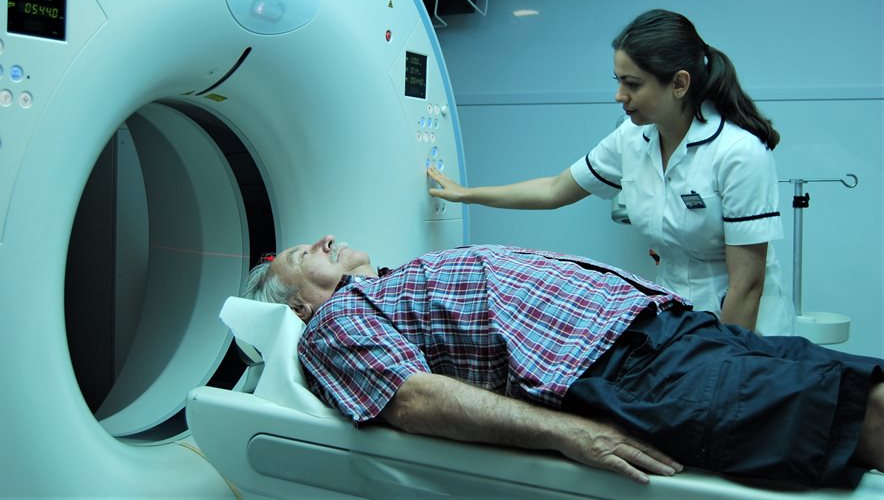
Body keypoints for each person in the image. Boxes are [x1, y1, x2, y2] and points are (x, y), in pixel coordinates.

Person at [242, 234, 884, 490]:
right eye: (305, 254)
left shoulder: (402, 277)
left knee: (854, 382)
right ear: (299, 305)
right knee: (851, 414)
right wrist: (569, 432)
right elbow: (414, 398)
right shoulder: (333, 325)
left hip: (666, 329)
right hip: (624, 373)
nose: (325, 241)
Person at [427, 9, 793, 336]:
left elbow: (747, 284)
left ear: (679, 84)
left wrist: (726, 362)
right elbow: (554, 190)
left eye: (632, 84)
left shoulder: (738, 153)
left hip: (745, 329)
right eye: (617, 80)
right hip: (679, 315)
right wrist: (467, 194)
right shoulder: (631, 139)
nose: (619, 95)